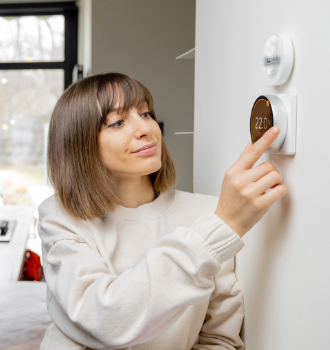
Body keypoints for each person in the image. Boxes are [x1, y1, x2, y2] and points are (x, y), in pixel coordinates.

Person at [39, 73, 286, 350]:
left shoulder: (207, 212)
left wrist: (221, 223)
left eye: (145, 113)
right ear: (79, 144)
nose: (145, 128)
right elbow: (108, 320)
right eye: (118, 122)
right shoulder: (61, 217)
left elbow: (219, 338)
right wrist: (220, 228)